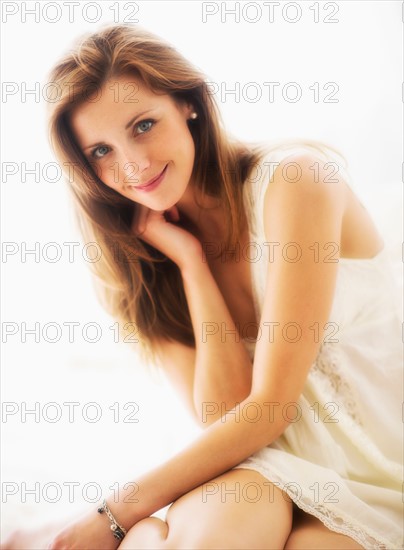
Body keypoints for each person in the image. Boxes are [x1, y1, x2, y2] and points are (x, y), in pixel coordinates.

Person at [3, 22, 402, 550]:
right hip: (267, 474)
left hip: (382, 477)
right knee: (218, 529)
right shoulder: (144, 271)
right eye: (100, 152)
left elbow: (268, 409)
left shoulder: (297, 182)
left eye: (143, 125)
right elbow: (226, 415)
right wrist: (192, 265)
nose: (133, 164)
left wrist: (113, 514)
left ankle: (140, 535)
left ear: (188, 103)